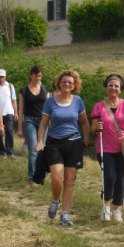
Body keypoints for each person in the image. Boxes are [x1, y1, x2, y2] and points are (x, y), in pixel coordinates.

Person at [35, 70, 91, 226]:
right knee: (57, 178)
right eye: (64, 81)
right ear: (59, 83)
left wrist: (86, 140)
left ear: (74, 86)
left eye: (70, 82)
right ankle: (55, 201)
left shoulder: (78, 101)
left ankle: (65, 214)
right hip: (55, 143)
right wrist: (40, 141)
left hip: (74, 142)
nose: (67, 84)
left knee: (69, 181)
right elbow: (43, 124)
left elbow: (85, 123)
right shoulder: (50, 102)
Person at [90, 74, 124, 223]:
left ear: (121, 89)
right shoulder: (99, 106)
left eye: (116, 86)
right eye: (110, 85)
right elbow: (92, 128)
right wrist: (97, 126)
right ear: (106, 87)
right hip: (105, 148)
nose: (113, 88)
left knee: (121, 179)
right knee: (109, 176)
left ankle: (117, 210)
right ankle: (106, 208)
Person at [18, 66, 50, 184]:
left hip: (43, 121)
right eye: (36, 75)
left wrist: (50, 124)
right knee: (33, 149)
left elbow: (49, 108)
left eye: (40, 76)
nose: (38, 78)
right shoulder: (24, 90)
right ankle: (32, 177)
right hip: (29, 121)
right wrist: (20, 129)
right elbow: (20, 110)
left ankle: (40, 174)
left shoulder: (45, 90)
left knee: (42, 149)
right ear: (31, 75)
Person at [0, 69, 17, 156]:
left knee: (9, 131)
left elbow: (14, 100)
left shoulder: (10, 86)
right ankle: (1, 152)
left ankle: (10, 151)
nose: (1, 79)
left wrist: (16, 112)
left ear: (5, 77)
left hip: (9, 111)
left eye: (2, 77)